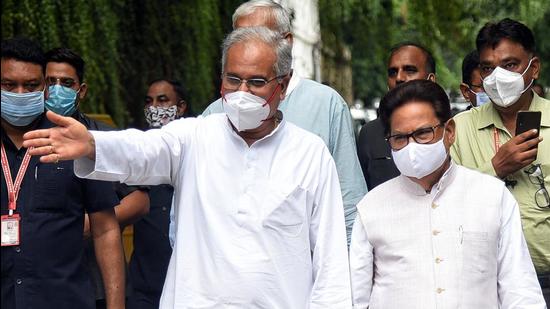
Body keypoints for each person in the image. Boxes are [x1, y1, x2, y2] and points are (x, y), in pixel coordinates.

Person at [24, 27, 352, 308]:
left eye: (256, 82)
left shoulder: (309, 153)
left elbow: (331, 257)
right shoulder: (195, 137)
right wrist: (95, 144)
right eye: (233, 79)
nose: (242, 93)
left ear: (283, 84)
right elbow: (143, 149)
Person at [349, 79, 545, 308]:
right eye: (399, 138)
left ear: (449, 131)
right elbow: (355, 297)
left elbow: (520, 290)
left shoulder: (492, 197)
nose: (411, 147)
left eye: (423, 133)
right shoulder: (372, 208)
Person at [201, 0, 366, 242]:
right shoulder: (213, 115)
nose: (249, 47)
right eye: (240, 37)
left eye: (259, 37)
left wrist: (349, 272)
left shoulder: (326, 104)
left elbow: (348, 201)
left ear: (287, 41)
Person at [1, 38, 125, 309]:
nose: (20, 93)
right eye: (9, 85)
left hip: (62, 299)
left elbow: (105, 230)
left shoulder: (74, 141)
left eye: (31, 85)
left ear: (44, 87)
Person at [451, 18, 550, 304]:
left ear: (533, 68)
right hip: (485, 284)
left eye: (509, 65)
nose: (497, 77)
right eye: (487, 68)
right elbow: (444, 206)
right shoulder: (458, 129)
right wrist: (494, 169)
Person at [44, 47, 150, 308]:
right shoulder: (28, 136)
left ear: (81, 90)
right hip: (43, 281)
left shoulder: (102, 138)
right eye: (50, 82)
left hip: (98, 282)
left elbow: (139, 199)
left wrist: (87, 224)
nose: (57, 90)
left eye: (67, 83)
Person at [127, 78, 192, 309]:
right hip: (144, 289)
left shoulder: (197, 155)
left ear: (181, 107)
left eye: (162, 101)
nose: (154, 108)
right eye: (149, 101)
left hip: (188, 289)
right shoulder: (139, 156)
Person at [357, 42, 436, 190]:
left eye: (410, 70)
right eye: (393, 72)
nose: (399, 78)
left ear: (430, 79)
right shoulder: (370, 134)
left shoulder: (449, 127)